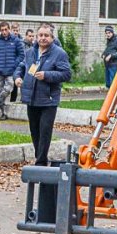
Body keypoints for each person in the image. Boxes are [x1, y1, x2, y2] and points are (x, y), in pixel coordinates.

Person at [16, 23, 73, 167]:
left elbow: (66, 74)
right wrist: (17, 77)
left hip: (48, 100)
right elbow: (22, 67)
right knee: (34, 131)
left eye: (46, 35)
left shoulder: (59, 53)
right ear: (36, 37)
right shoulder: (30, 52)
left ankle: (40, 162)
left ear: (52, 38)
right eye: (40, 35)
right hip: (31, 98)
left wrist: (47, 75)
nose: (43, 38)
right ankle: (39, 157)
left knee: (45, 131)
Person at [0, 21, 24, 120]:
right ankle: (3, 114)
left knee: (8, 89)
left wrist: (14, 65)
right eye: (2, 30)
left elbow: (21, 55)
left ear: (9, 29)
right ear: (0, 31)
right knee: (0, 91)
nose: (4, 32)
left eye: (6, 29)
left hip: (10, 71)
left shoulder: (16, 41)